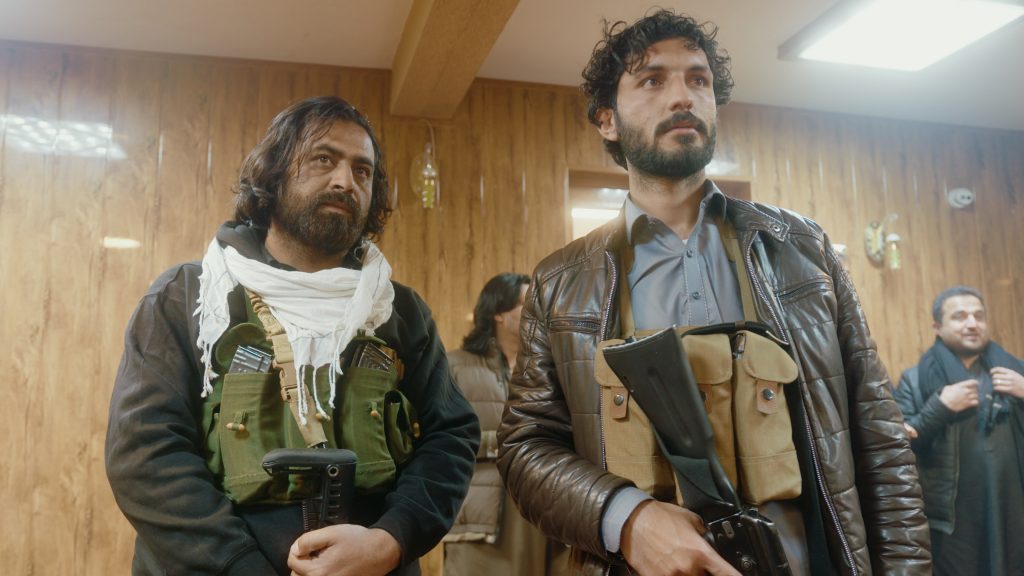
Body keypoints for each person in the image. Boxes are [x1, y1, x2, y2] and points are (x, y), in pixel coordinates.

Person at [496, 9, 931, 576]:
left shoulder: (803, 248)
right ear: (606, 120)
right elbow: (526, 447)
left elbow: (879, 436)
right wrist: (626, 518)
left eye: (698, 80)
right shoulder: (561, 282)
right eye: (653, 80)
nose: (683, 96)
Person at [105, 96, 479, 576]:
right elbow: (144, 453)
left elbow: (451, 435)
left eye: (363, 171)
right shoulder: (189, 296)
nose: (345, 181)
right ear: (275, 173)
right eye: (324, 159)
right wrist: (240, 566)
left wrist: (392, 539)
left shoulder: (396, 310)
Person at [893, 285, 1024, 576]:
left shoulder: (1015, 372)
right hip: (951, 524)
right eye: (960, 316)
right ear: (937, 327)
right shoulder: (915, 381)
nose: (972, 323)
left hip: (1014, 513)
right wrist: (939, 408)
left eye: (979, 316)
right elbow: (896, 446)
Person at [443, 272, 567, 575]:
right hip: (480, 514)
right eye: (526, 303)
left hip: (541, 511)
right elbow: (437, 441)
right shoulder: (455, 365)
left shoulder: (550, 368)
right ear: (498, 312)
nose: (536, 311)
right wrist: (503, 442)